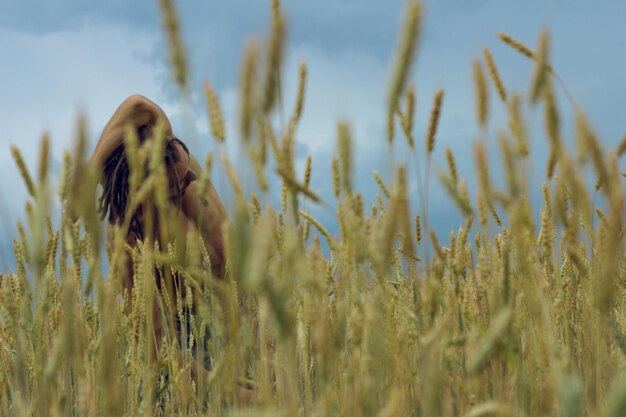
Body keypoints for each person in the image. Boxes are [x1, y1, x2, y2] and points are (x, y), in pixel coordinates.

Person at [90, 94, 227, 382]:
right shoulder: (124, 242)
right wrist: (227, 391)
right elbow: (154, 345)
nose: (191, 176)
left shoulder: (182, 169)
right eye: (176, 188)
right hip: (180, 338)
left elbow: (137, 105)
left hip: (230, 309)